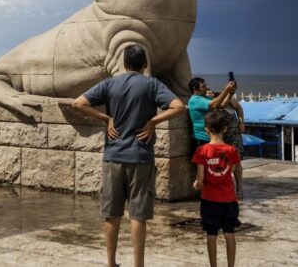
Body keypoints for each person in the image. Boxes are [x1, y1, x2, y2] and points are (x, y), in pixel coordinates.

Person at [73, 44, 186, 267]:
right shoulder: (152, 84)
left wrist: (106, 119)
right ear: (145, 64)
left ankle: (111, 262)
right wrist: (153, 121)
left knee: (112, 214)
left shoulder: (110, 83)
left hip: (113, 156)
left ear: (124, 64)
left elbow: (79, 103)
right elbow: (179, 106)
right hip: (141, 157)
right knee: (138, 215)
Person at [193, 109, 241, 267]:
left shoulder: (202, 151)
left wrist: (197, 184)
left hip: (209, 200)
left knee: (211, 234)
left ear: (206, 130)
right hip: (228, 199)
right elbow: (232, 171)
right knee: (229, 233)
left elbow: (200, 178)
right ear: (225, 129)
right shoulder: (232, 151)